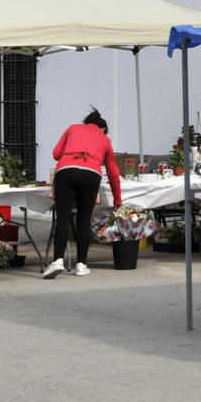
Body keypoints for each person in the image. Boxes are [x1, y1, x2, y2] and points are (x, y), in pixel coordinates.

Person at [43, 108, 122, 279]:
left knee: (63, 217)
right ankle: (81, 265)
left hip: (65, 170)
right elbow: (114, 172)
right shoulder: (105, 139)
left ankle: (57, 261)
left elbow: (56, 154)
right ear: (102, 128)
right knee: (84, 219)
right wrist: (117, 199)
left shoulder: (73, 128)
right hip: (91, 173)